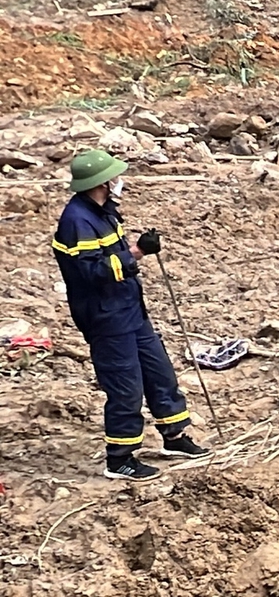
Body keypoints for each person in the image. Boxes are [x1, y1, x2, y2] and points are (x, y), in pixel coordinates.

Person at [52, 150, 209, 481]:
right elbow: (90, 273)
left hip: (129, 309)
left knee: (159, 373)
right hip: (106, 318)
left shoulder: (104, 212)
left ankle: (175, 437)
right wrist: (136, 252)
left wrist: (134, 252)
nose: (119, 181)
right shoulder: (76, 221)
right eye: (114, 176)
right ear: (102, 182)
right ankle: (120, 458)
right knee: (125, 386)